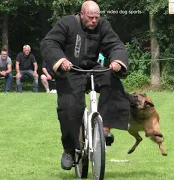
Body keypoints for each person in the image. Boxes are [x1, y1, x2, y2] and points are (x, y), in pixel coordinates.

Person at [40, 0, 130, 170]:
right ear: (82, 14)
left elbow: (115, 44)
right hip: (70, 70)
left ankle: (104, 128)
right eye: (90, 17)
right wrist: (61, 60)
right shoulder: (66, 24)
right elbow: (49, 43)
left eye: (96, 17)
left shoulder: (103, 26)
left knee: (113, 83)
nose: (94, 21)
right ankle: (69, 150)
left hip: (92, 68)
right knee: (69, 107)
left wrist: (117, 61)